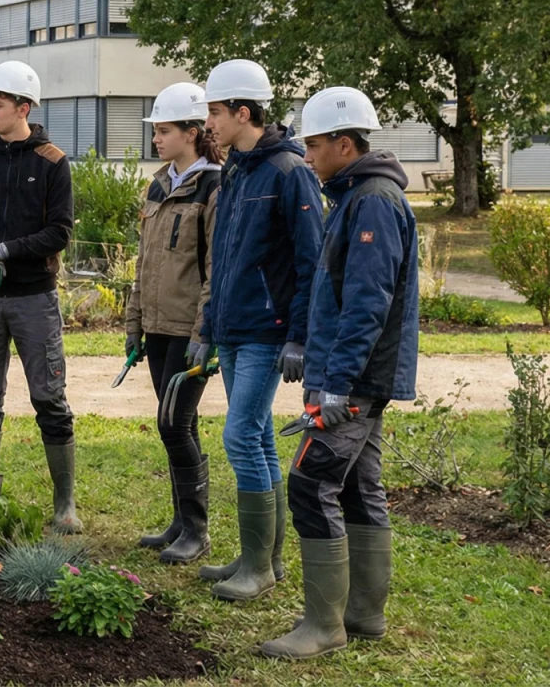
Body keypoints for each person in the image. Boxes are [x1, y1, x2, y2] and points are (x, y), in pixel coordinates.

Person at [261, 87, 415, 659]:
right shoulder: (354, 196)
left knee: (309, 484)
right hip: (355, 377)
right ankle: (364, 616)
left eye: (315, 144)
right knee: (359, 486)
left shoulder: (373, 200)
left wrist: (338, 384)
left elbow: (367, 302)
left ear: (344, 144)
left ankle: (324, 626)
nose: (307, 156)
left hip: (353, 382)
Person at [196, 59, 325, 601]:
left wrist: (298, 337)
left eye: (215, 113)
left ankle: (259, 565)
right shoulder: (237, 169)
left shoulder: (288, 173)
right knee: (256, 439)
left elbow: (309, 262)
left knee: (241, 435)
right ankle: (263, 558)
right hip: (231, 325)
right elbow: (222, 257)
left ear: (243, 112)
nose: (208, 124)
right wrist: (208, 325)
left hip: (266, 331)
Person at [0, 60, 80, 534]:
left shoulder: (52, 162)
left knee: (50, 398)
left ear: (23, 108)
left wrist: (5, 249)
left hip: (33, 301)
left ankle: (64, 503)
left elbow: (59, 232)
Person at [125, 82, 224, 562]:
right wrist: (133, 323)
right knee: (176, 424)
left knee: (174, 423)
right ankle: (182, 520)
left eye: (164, 131)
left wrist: (205, 333)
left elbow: (214, 268)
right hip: (158, 327)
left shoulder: (213, 186)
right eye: (156, 131)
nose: (156, 139)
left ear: (193, 131)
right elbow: (143, 260)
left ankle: (197, 531)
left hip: (189, 331)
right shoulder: (158, 184)